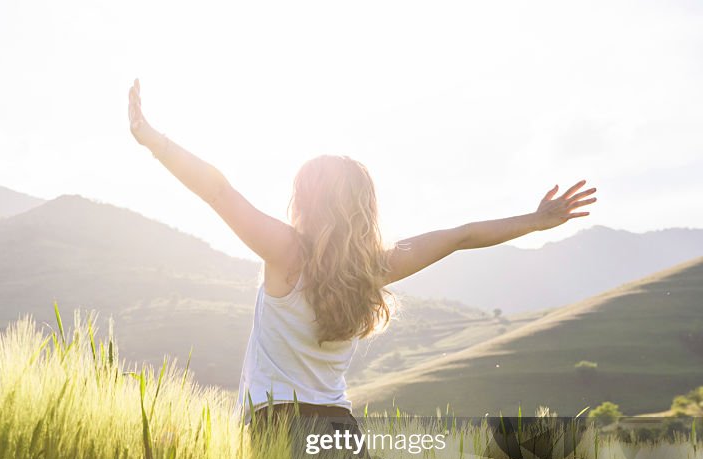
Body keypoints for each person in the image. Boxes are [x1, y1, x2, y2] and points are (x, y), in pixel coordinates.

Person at [126, 78, 597, 434]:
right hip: (340, 432)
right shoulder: (375, 268)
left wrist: (153, 140)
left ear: (304, 201)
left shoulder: (285, 250)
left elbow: (218, 191)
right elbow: (460, 236)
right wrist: (535, 221)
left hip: (279, 428)